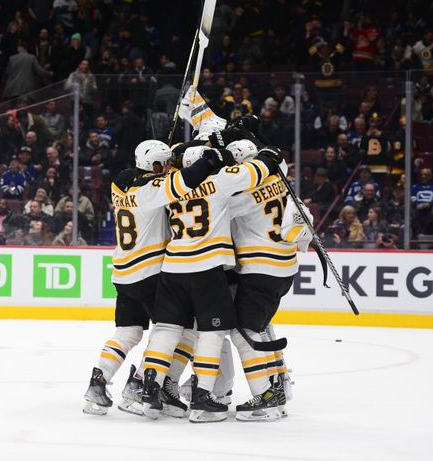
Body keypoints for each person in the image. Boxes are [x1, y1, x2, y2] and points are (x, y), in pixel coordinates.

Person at [139, 139, 283, 423]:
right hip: (206, 269)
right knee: (212, 332)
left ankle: (150, 389)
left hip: (172, 268)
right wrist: (268, 157)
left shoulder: (172, 184)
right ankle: (203, 397)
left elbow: (145, 196)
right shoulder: (219, 184)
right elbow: (252, 173)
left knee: (167, 328)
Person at [85, 139, 229, 418]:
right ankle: (143, 384)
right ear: (154, 166)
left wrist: (177, 152)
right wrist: (209, 159)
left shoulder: (121, 184)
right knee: (179, 330)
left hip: (123, 272)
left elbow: (135, 175)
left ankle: (97, 383)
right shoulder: (153, 191)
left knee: (128, 333)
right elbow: (184, 181)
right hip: (150, 272)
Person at [220, 138, 305, 421]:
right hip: (285, 267)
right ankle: (278, 384)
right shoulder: (281, 179)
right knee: (262, 326)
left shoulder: (243, 192)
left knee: (245, 332)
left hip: (260, 268)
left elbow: (218, 208)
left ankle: (266, 397)